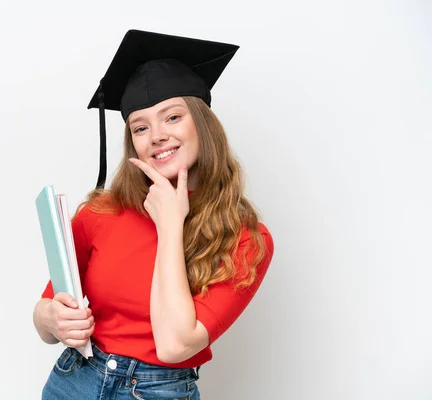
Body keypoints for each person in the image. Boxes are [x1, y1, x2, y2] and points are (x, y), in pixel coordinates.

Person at [33, 29, 275, 400]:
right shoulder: (101, 212)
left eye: (172, 117)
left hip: (158, 392)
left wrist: (170, 224)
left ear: (203, 124)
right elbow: (46, 313)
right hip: (74, 381)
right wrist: (52, 319)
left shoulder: (245, 239)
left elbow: (176, 346)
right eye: (141, 127)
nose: (157, 136)